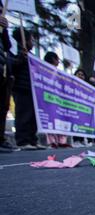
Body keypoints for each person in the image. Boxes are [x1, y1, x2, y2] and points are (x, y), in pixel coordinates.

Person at [11, 28, 45, 150]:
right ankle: (23, 140)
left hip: (34, 90)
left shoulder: (31, 56)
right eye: (31, 39)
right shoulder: (14, 51)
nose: (33, 41)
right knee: (23, 114)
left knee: (33, 116)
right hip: (21, 87)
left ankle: (32, 140)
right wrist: (21, 58)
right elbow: (11, 65)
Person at [43, 52, 71, 149]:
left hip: (59, 101)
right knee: (50, 120)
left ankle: (62, 141)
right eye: (57, 59)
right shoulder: (43, 69)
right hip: (48, 99)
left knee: (61, 119)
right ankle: (52, 141)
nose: (59, 61)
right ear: (53, 59)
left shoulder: (59, 73)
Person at [0, 12, 14, 152]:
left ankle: (1, 138)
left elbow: (7, 46)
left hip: (3, 69)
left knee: (3, 106)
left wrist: (4, 29)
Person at [72, 69, 89, 148]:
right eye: (79, 74)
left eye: (82, 75)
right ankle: (76, 140)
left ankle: (82, 140)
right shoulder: (72, 84)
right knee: (76, 123)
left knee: (82, 124)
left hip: (83, 108)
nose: (81, 76)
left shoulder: (86, 87)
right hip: (74, 106)